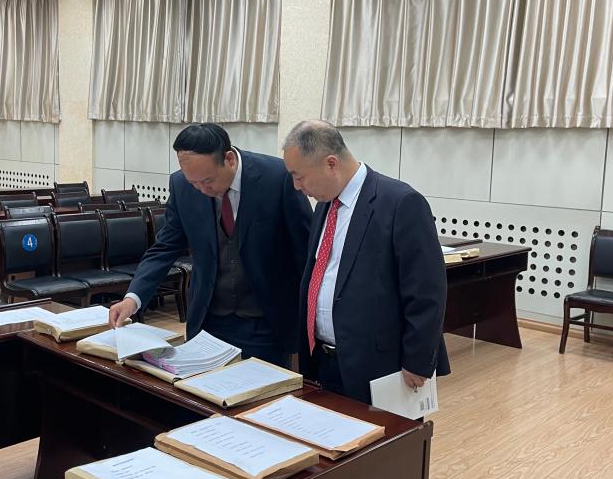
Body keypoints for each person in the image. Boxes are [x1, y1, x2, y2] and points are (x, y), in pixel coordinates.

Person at [108, 123, 312, 367]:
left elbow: (305, 250)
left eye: (208, 181)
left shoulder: (277, 177)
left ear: (229, 159)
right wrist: (133, 298)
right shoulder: (182, 185)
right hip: (208, 321)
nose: (202, 190)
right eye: (194, 183)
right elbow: (164, 247)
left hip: (266, 323)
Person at [282, 119, 449, 404]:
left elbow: (427, 291)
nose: (297, 186)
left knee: (385, 435)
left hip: (380, 366)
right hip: (323, 360)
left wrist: (418, 361)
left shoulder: (400, 203)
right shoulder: (325, 204)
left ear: (331, 164)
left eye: (300, 176)